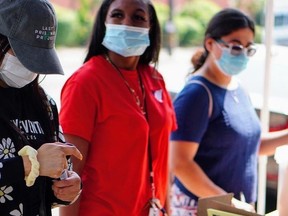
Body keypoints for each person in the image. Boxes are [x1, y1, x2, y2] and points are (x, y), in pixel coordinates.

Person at [59, 0, 176, 215]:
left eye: (138, 17)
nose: (126, 23)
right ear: (104, 22)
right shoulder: (85, 82)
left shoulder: (155, 79)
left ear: (151, 28)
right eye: (117, 15)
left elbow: (163, 160)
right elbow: (70, 172)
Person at [170, 8, 288, 216]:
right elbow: (179, 163)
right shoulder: (196, 94)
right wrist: (229, 203)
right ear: (210, 44)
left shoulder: (238, 88)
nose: (242, 53)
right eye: (235, 46)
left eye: (248, 48)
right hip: (203, 209)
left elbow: (251, 145)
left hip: (232, 209)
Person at [0, 0, 83, 215]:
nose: (29, 68)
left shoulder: (44, 103)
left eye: (37, 59)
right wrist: (29, 164)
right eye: (22, 55)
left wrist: (65, 190)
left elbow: (47, 186)